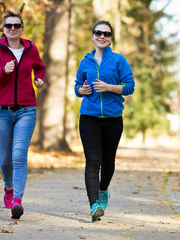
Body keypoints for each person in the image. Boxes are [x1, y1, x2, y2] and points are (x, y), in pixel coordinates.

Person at [0, 10, 45, 220]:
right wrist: (1, 72)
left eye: (17, 26)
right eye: (9, 26)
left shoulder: (31, 49)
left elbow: (40, 68)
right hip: (2, 112)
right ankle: (8, 187)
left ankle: (17, 200)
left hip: (27, 109)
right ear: (4, 30)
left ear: (22, 28)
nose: (13, 29)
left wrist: (39, 79)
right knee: (6, 158)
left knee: (19, 155)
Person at [74, 20, 135, 222]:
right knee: (92, 161)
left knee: (108, 162)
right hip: (88, 118)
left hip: (113, 119)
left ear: (111, 38)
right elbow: (77, 86)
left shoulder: (118, 60)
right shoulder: (85, 62)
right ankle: (94, 205)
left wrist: (109, 87)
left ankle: (103, 191)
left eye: (106, 34)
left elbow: (130, 86)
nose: (102, 36)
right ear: (92, 36)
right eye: (98, 32)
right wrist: (81, 91)